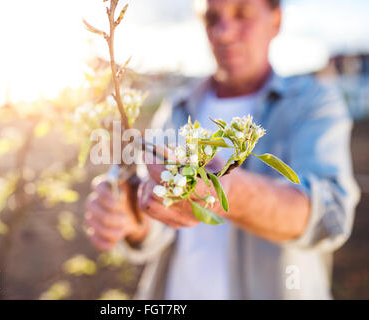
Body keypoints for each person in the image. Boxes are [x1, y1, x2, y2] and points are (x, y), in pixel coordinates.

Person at [84, 0, 361, 299]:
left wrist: (226, 191)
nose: (224, 33)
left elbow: (330, 217)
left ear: (275, 21)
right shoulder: (178, 107)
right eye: (212, 18)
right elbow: (159, 224)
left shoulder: (313, 102)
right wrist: (132, 219)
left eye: (242, 14)